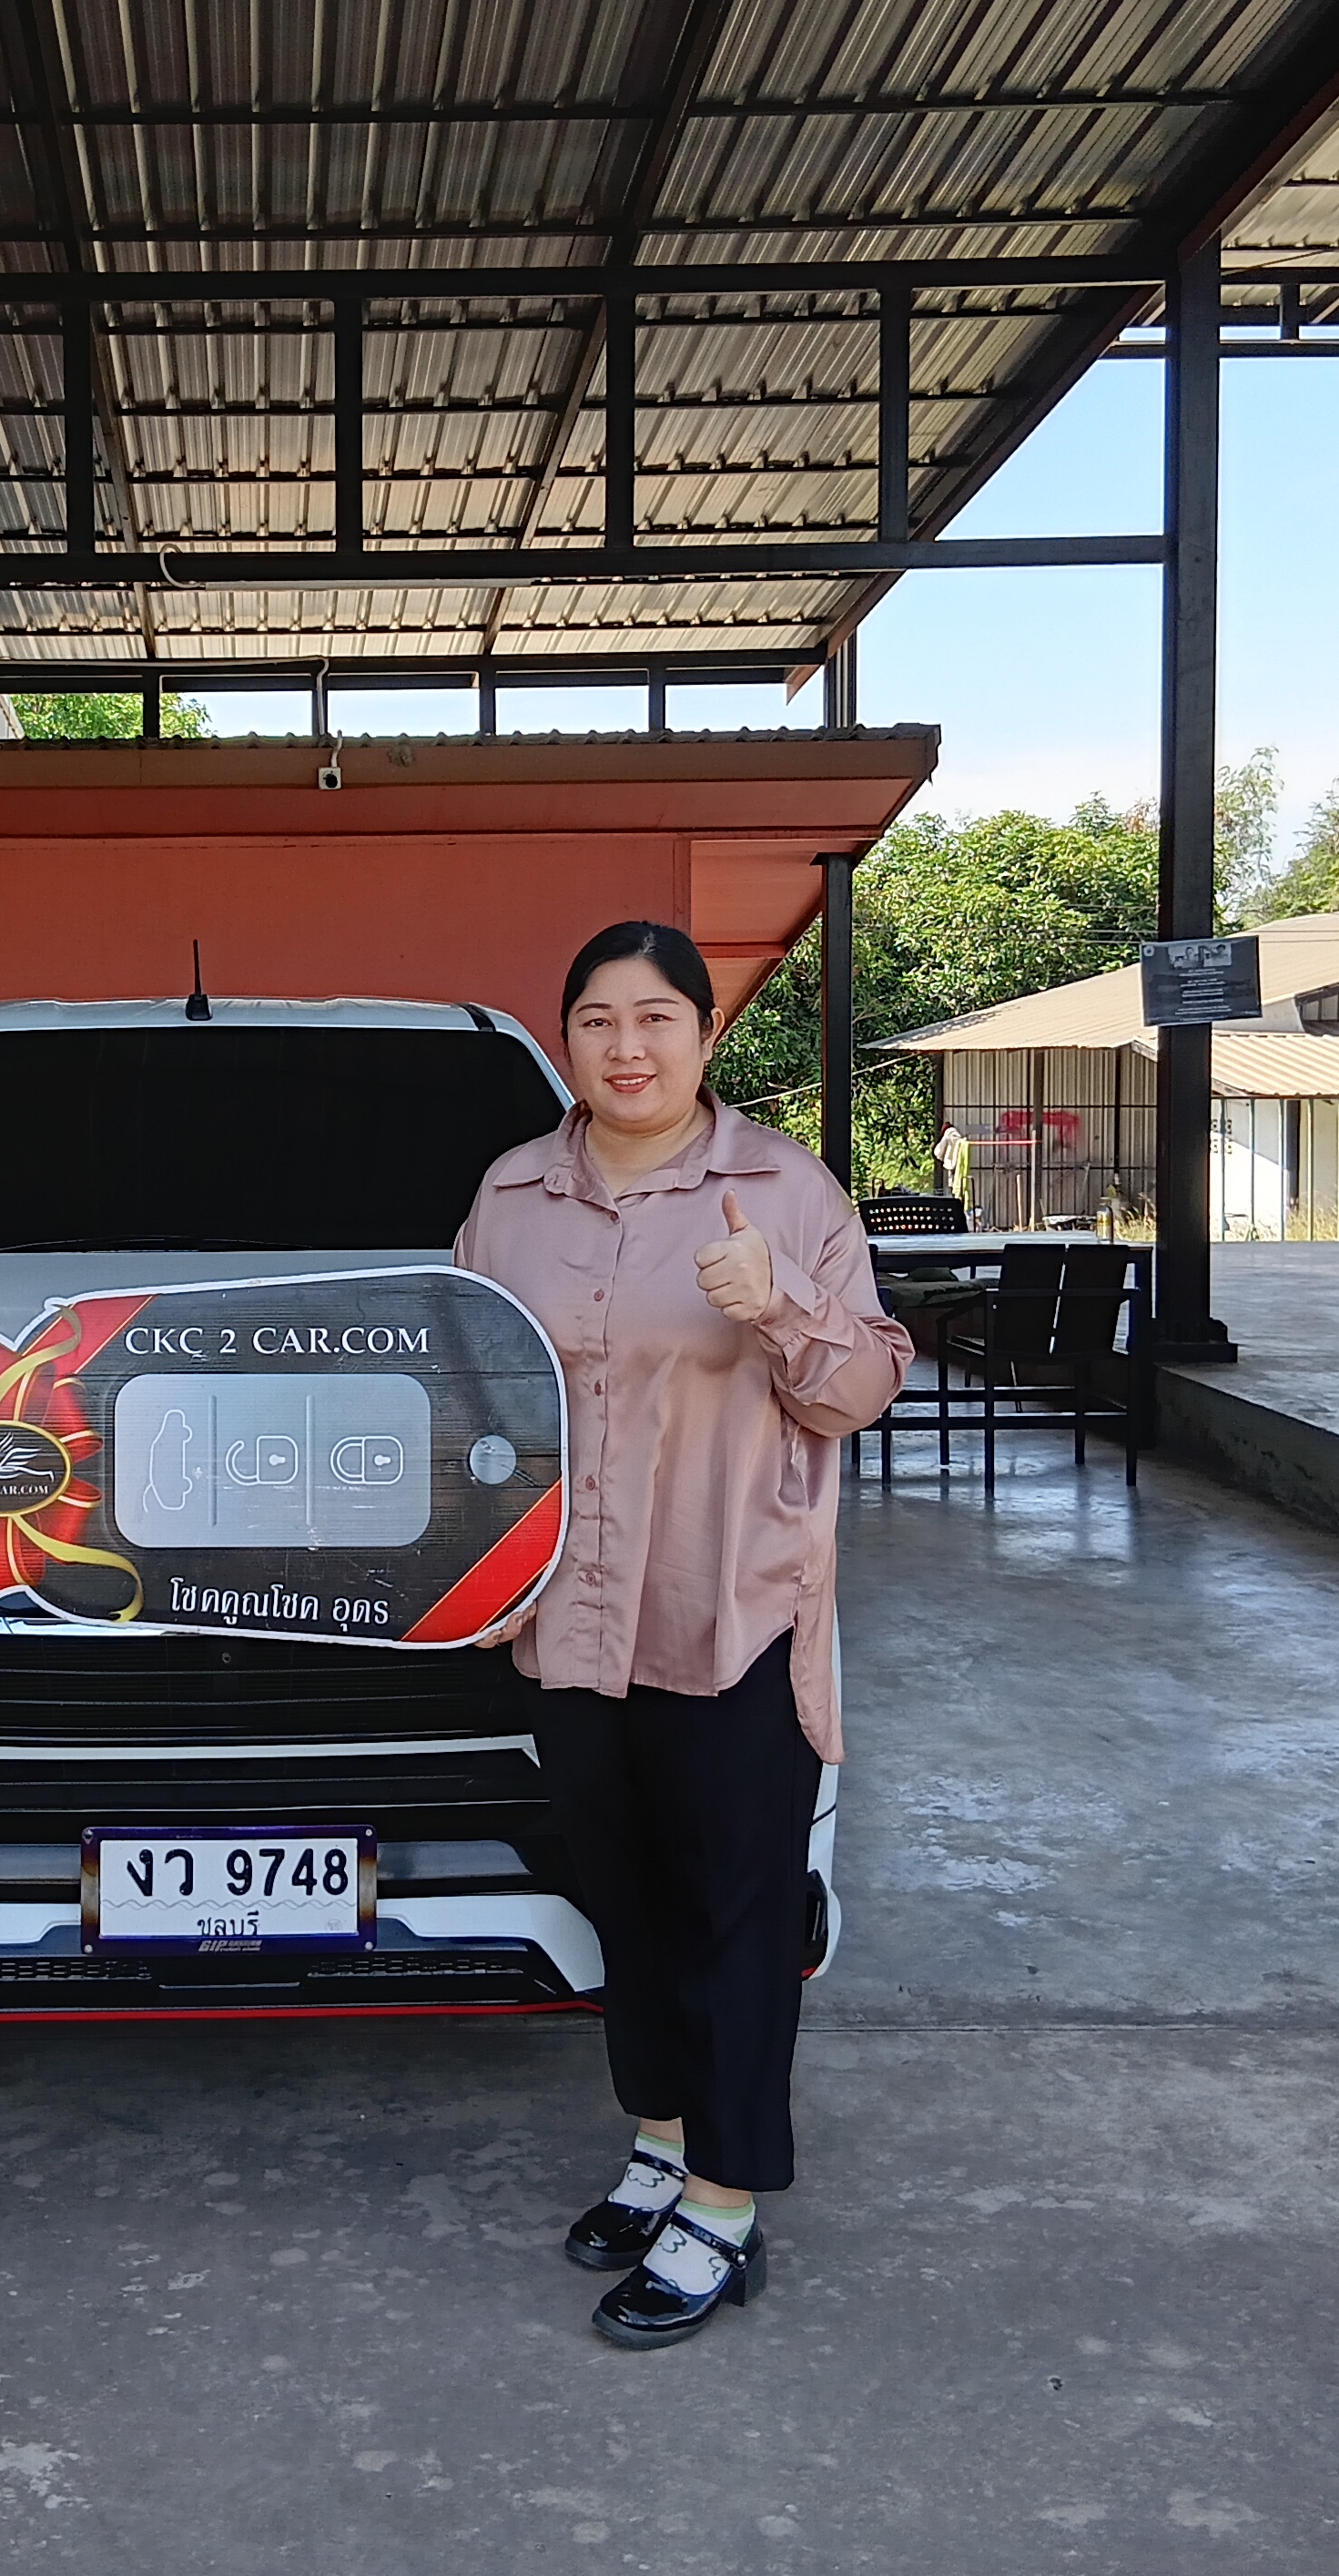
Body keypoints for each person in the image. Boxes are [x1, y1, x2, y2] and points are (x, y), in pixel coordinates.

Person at [451, 918, 911, 2349]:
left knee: (735, 1913)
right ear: (567, 1040)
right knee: (627, 1899)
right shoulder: (510, 1195)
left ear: (707, 1034)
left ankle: (724, 2200)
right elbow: (461, 1390)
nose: (628, 1047)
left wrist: (780, 1306)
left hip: (730, 1615)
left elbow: (863, 1390)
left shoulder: (782, 1189)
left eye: (658, 1018)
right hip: (568, 1619)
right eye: (598, 1020)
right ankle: (659, 2140)